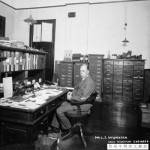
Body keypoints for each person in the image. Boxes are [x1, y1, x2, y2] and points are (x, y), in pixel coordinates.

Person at [49, 64, 95, 135]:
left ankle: (67, 129)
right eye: (80, 71)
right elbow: (77, 90)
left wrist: (71, 97)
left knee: (59, 110)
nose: (81, 72)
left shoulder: (89, 82)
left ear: (88, 71)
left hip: (82, 105)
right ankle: (55, 127)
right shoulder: (84, 79)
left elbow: (83, 98)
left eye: (83, 71)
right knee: (59, 105)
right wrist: (71, 93)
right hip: (78, 102)